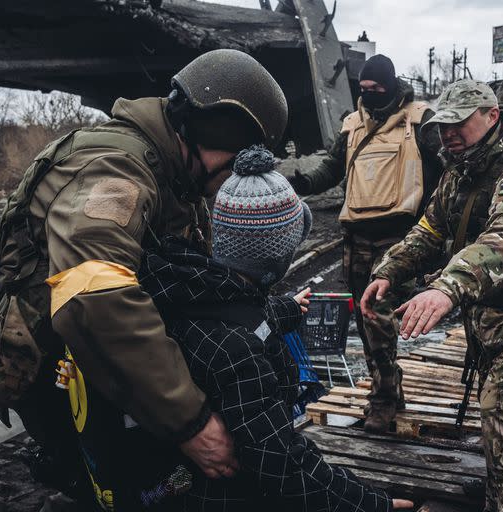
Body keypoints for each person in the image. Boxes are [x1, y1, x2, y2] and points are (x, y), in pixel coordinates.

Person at [0, 49, 289, 510]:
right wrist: (192, 423)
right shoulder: (114, 172)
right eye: (241, 158)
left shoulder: (172, 176)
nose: (235, 178)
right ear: (213, 131)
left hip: (115, 373)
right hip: (62, 370)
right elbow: (95, 300)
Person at [360, 80, 503, 512]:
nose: (448, 133)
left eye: (459, 123)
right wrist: (391, 269)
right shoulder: (461, 169)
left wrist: (447, 288)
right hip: (499, 304)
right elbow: (431, 228)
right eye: (443, 124)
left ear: (491, 116)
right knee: (501, 412)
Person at [134, 145, 413, 511]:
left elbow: (238, 320)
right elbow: (285, 465)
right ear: (277, 258)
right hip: (226, 497)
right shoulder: (240, 353)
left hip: (179, 482)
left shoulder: (186, 285)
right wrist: (375, 505)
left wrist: (284, 310)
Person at [288, 54, 443, 433]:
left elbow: (444, 174)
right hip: (355, 237)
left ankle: (384, 399)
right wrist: (302, 183)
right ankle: (388, 388)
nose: (371, 96)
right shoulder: (352, 125)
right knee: (364, 316)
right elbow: (332, 168)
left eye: (378, 90)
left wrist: (439, 232)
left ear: (392, 85)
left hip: (398, 235)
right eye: (365, 90)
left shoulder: (421, 120)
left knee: (377, 317)